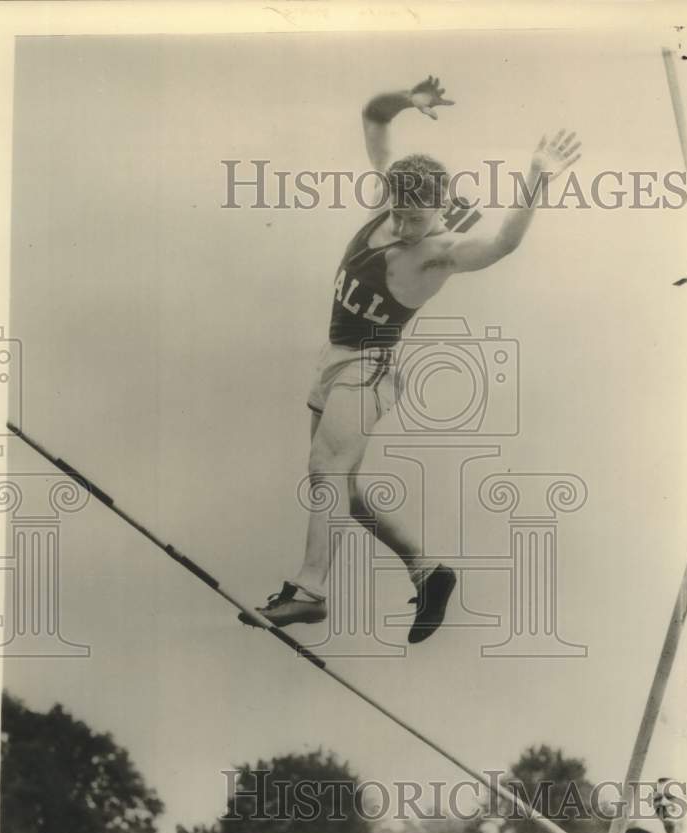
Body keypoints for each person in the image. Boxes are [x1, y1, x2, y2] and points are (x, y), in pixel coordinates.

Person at [243, 76, 581, 643]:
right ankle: (428, 570)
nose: (403, 227)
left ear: (441, 209)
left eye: (415, 220)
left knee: (325, 471)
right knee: (341, 491)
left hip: (369, 367)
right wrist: (408, 100)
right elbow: (374, 116)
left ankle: (308, 591)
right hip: (334, 358)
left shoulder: (440, 254)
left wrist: (535, 177)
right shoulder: (396, 196)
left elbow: (503, 243)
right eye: (398, 214)